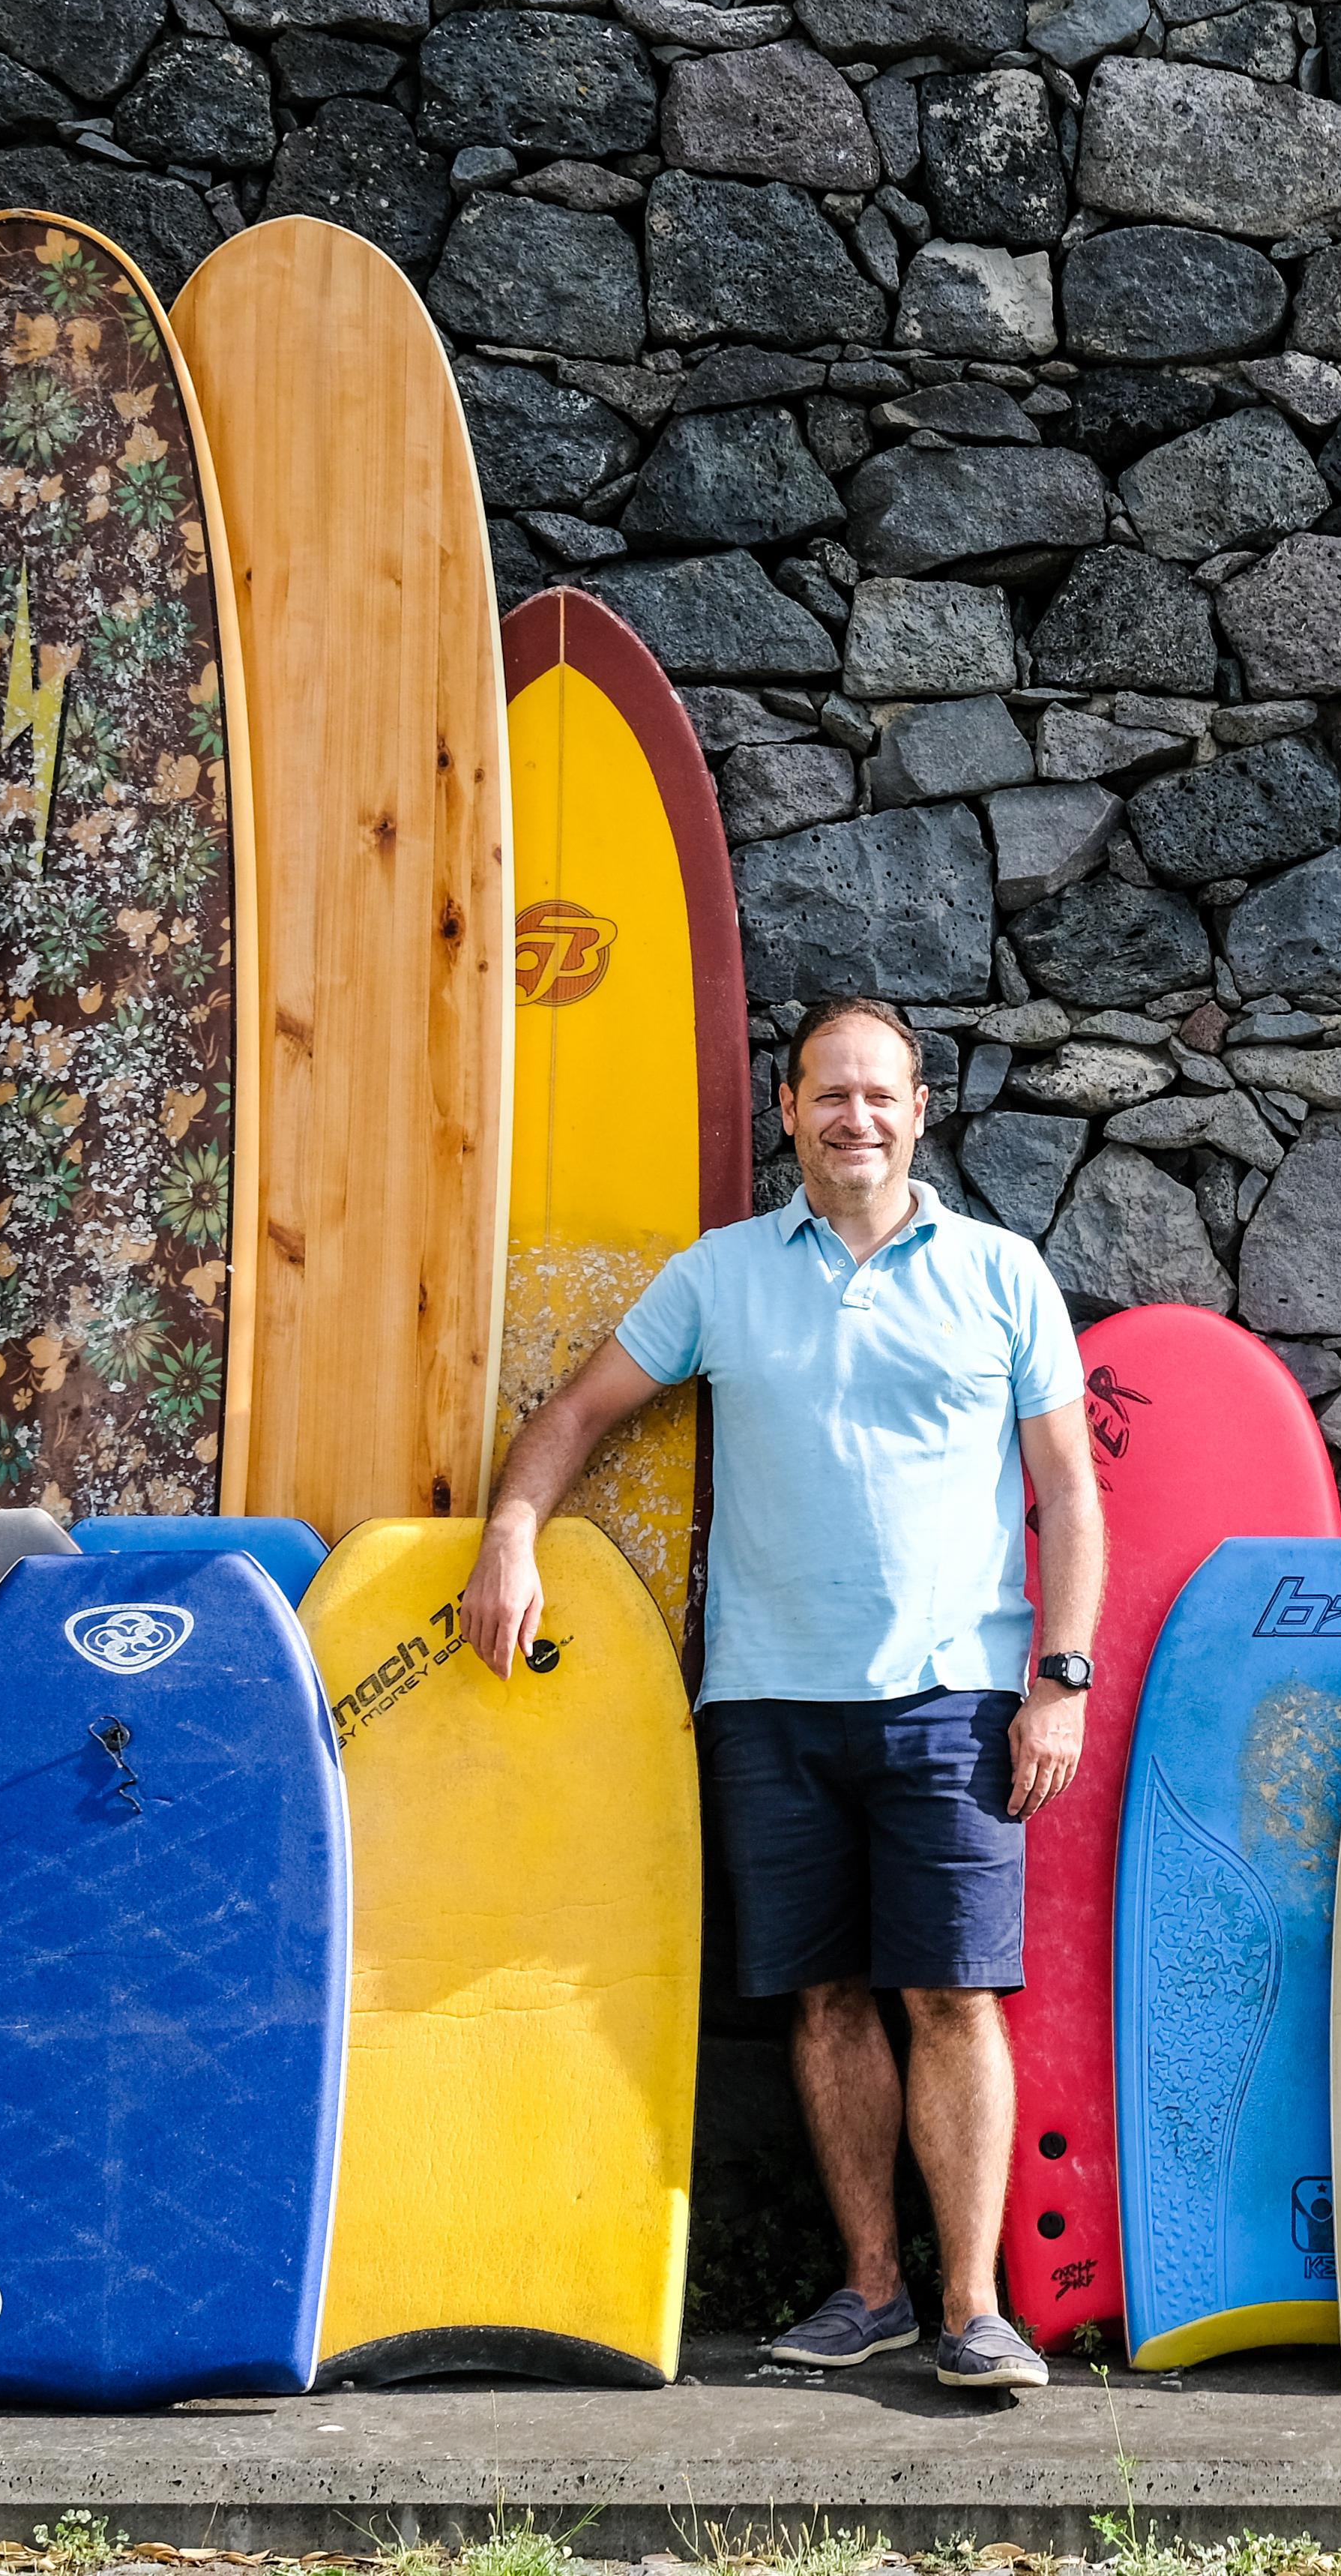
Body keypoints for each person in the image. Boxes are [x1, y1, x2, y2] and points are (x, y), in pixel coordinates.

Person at [462, 993, 1106, 2394]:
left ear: (920, 1109)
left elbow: (1068, 1489)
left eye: (880, 1094)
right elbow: (576, 1413)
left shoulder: (1001, 1274)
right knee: (819, 2001)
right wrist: (509, 1536)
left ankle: (973, 2308)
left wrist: (1057, 1679)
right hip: (766, 1703)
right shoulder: (722, 1276)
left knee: (949, 1994)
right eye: (829, 1094)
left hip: (955, 1698)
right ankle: (868, 2290)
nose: (854, 1117)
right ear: (789, 1111)